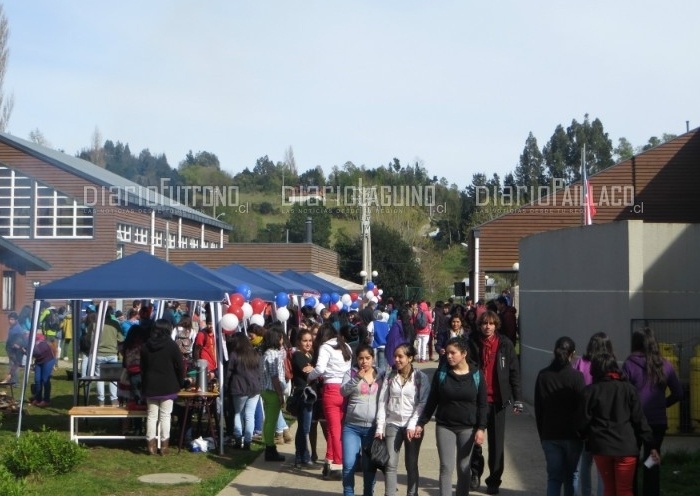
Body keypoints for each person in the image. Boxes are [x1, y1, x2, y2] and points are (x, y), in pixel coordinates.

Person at [576, 353, 658, 496]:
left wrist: (585, 437)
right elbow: (640, 420)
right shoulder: (629, 389)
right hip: (626, 448)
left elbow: (582, 422)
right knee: (625, 490)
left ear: (594, 370)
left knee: (609, 489)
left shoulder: (590, 392)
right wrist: (651, 445)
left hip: (602, 448)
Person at [416, 337, 487, 496]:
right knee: (446, 467)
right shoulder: (442, 373)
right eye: (447, 353)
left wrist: (481, 428)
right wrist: (422, 422)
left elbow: (483, 404)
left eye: (453, 353)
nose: (449, 356)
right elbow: (432, 400)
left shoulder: (476, 375)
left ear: (464, 354)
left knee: (464, 467)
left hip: (467, 428)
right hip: (445, 426)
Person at [622, 328, 683, 496]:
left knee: (631, 462)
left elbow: (623, 393)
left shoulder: (629, 364)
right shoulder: (665, 364)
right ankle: (651, 491)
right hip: (657, 423)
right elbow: (678, 393)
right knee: (651, 462)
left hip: (634, 423)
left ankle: (632, 492)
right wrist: (663, 404)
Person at [471, 310, 523, 495]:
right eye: (485, 323)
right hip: (477, 401)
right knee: (474, 441)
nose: (488, 327)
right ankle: (475, 471)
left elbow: (514, 373)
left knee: (496, 443)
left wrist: (517, 399)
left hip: (498, 400)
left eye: (491, 324)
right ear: (480, 325)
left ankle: (494, 479)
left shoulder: (505, 344)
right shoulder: (473, 343)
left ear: (496, 325)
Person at [375, 343, 430, 496]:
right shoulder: (389, 376)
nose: (396, 360)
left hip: (412, 425)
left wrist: (413, 424)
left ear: (410, 358)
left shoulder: (420, 377)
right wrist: (380, 427)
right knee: (390, 464)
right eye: (395, 356)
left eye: (400, 356)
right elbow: (382, 402)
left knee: (411, 464)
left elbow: (422, 403)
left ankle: (412, 493)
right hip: (392, 423)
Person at [534, 336, 585, 496]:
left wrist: (542, 435)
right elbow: (582, 407)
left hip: (550, 433)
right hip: (572, 435)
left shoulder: (543, 376)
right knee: (572, 476)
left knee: (554, 478)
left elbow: (539, 408)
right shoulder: (577, 377)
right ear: (573, 354)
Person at [308, 323, 353, 479]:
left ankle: (338, 464)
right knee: (337, 428)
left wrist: (309, 376)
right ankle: (330, 459)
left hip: (331, 389)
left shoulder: (325, 347)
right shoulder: (346, 346)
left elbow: (320, 369)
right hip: (345, 388)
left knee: (333, 430)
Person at [573, 332, 615, 496]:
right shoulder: (609, 366)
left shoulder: (581, 362)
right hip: (602, 420)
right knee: (602, 466)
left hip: (584, 417)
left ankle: (585, 493)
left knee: (585, 461)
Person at [340, 344, 384, 496]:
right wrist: (358, 377)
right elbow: (343, 391)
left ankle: (368, 493)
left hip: (372, 429)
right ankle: (348, 493)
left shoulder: (381, 375)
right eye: (360, 358)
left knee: (368, 467)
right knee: (348, 464)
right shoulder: (351, 373)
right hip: (351, 427)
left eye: (367, 358)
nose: (364, 361)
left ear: (373, 358)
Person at [140, 318, 184, 455]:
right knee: (165, 416)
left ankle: (150, 445)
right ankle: (164, 446)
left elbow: (142, 367)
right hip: (168, 385)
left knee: (152, 416)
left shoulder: (146, 345)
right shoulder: (172, 345)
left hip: (150, 385)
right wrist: (180, 382)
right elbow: (180, 366)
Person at [226, 332, 261, 450]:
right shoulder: (255, 353)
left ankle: (237, 439)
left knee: (238, 413)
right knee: (249, 415)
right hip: (255, 388)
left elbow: (229, 372)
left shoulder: (234, 354)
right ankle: (247, 441)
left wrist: (226, 386)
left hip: (239, 388)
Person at [260, 326, 287, 462]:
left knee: (270, 420)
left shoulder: (268, 352)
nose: (282, 340)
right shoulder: (272, 354)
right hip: (271, 390)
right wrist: (280, 394)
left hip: (267, 389)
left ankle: (269, 445)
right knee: (271, 420)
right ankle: (270, 447)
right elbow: (274, 376)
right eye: (281, 337)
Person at [290, 328, 316, 468]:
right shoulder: (298, 355)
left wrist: (313, 368)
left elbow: (313, 370)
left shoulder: (309, 355)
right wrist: (314, 369)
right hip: (303, 394)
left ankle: (301, 456)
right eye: (305, 341)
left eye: (310, 340)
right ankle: (301, 457)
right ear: (299, 342)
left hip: (309, 393)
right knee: (304, 428)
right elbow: (308, 373)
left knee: (304, 427)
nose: (308, 343)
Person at [95, 314, 125, 407]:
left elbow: (89, 339)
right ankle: (114, 399)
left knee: (100, 378)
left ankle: (101, 400)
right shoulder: (115, 323)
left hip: (99, 353)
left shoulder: (96, 324)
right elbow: (121, 338)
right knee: (113, 378)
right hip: (112, 353)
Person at [30, 333, 57, 407]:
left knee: (45, 380)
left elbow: (36, 353)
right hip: (39, 361)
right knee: (37, 379)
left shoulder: (43, 344)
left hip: (48, 361)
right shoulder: (33, 343)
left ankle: (46, 400)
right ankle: (38, 398)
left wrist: (24, 350)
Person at [3, 312, 26, 384]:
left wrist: (17, 344)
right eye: (9, 319)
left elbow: (21, 339)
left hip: (16, 351)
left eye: (12, 319)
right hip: (11, 350)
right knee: (11, 365)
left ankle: (15, 382)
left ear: (16, 320)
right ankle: (11, 380)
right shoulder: (12, 327)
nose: (10, 321)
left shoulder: (18, 329)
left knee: (15, 366)